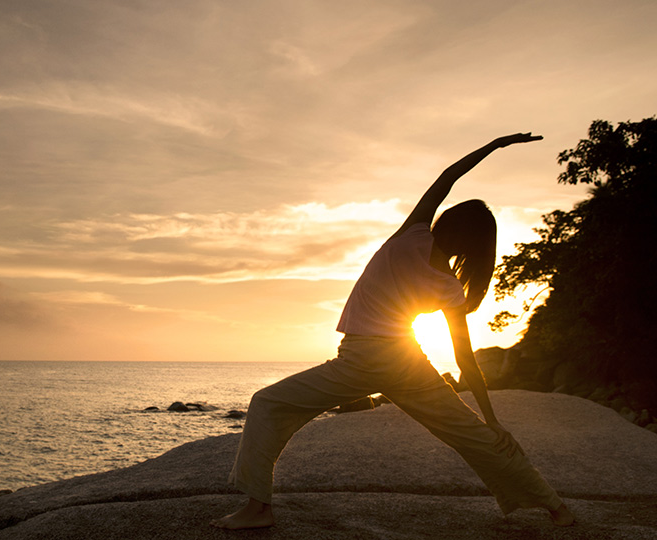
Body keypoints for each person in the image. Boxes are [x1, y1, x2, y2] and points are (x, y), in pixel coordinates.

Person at [211, 133, 575, 530]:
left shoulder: (411, 234)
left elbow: (448, 176)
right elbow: (464, 358)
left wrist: (494, 146)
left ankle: (258, 508)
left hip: (364, 358)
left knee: (267, 403)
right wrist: (491, 418)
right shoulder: (450, 284)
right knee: (478, 437)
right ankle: (557, 507)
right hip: (408, 362)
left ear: (447, 219)